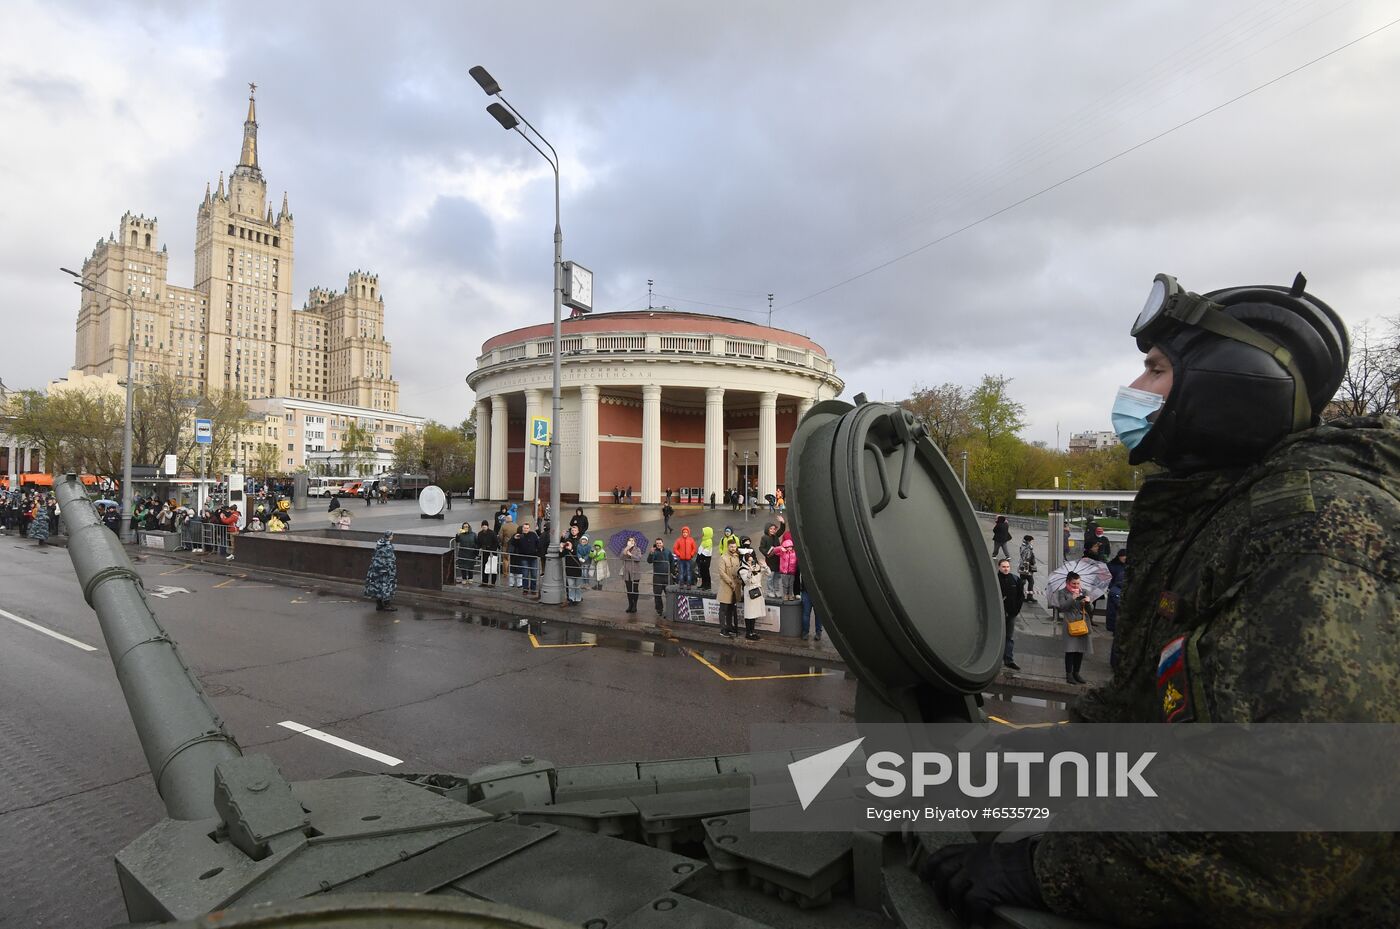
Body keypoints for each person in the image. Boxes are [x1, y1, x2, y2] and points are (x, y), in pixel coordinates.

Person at [925, 272, 1400, 926]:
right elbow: (1142, 721)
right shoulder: (1220, 518)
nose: (1133, 390)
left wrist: (1041, 870)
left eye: (1154, 369)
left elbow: (1287, 843)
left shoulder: (1313, 544)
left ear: (1232, 385)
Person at [1049, 570, 1093, 684]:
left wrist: (1087, 602)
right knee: (1070, 650)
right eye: (1074, 583)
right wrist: (1072, 598)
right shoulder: (1062, 592)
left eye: (1078, 583)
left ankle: (1076, 673)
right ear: (1068, 582)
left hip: (1083, 623)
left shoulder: (1084, 591)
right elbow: (1062, 608)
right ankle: (1069, 674)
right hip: (1070, 623)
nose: (1076, 586)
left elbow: (1091, 610)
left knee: (1080, 650)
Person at [996, 557, 1024, 671]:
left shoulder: (1015, 579)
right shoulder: (995, 579)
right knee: (997, 637)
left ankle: (1008, 660)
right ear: (999, 567)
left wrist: (1016, 610)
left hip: (1011, 614)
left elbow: (1020, 597)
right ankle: (995, 660)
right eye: (1003, 567)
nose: (1006, 569)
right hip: (998, 614)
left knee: (1009, 637)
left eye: (1007, 567)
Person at [737, 547, 770, 641]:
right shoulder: (742, 569)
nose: (751, 563)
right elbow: (747, 581)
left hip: (758, 591)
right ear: (745, 561)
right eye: (749, 561)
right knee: (749, 613)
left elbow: (768, 573)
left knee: (755, 613)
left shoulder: (757, 567)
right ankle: (748, 633)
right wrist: (750, 571)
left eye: (752, 561)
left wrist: (765, 566)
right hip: (749, 592)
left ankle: (753, 632)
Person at [363, 532, 398, 611]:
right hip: (385, 570)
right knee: (386, 586)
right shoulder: (388, 546)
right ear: (389, 536)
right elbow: (390, 560)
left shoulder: (379, 544)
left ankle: (379, 605)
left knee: (377, 586)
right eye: (392, 535)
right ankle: (387, 605)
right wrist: (392, 570)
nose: (392, 537)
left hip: (376, 569)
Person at [1106, 547, 1128, 668]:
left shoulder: (1119, 590)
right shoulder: (1116, 591)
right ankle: (1115, 664)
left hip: (1117, 621)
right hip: (1116, 621)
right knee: (1117, 643)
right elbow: (1121, 606)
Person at [715, 537, 742, 638]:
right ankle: (723, 629)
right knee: (724, 609)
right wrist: (731, 582)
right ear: (728, 547)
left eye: (734, 547)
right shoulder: (723, 558)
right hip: (726, 587)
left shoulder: (737, 557)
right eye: (731, 547)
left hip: (735, 587)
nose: (733, 548)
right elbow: (722, 573)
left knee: (731, 609)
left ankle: (729, 627)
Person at [795, 561, 822, 643]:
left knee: (807, 614)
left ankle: (806, 633)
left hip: (808, 591)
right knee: (817, 614)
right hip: (813, 591)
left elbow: (797, 575)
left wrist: (797, 591)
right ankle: (817, 633)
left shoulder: (803, 561)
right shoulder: (818, 561)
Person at [645, 537, 670, 617]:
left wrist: (672, 572)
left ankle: (669, 610)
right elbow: (649, 561)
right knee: (657, 594)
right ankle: (659, 610)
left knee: (669, 595)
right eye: (657, 543)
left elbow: (672, 561)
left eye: (660, 543)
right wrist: (651, 553)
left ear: (663, 543)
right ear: (655, 544)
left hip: (666, 576)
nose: (659, 544)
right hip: (657, 577)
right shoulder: (654, 552)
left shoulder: (667, 551)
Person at [517, 521, 541, 596]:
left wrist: (537, 553)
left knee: (534, 574)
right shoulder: (520, 536)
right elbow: (515, 544)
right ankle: (525, 589)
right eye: (524, 528)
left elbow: (538, 544)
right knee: (525, 574)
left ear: (529, 528)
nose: (526, 529)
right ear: (522, 528)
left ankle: (533, 589)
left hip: (533, 557)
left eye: (527, 528)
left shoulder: (533, 535)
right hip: (524, 557)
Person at [620, 536, 643, 612]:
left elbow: (639, 558)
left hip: (635, 572)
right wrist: (626, 549)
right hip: (627, 573)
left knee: (635, 589)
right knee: (629, 590)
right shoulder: (625, 549)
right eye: (630, 540)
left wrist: (630, 555)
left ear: (635, 542)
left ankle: (635, 605)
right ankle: (630, 604)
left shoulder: (638, 549)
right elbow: (621, 557)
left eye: (632, 540)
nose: (631, 541)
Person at [759, 524, 782, 596]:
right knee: (770, 576)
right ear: (767, 529)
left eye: (774, 529)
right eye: (771, 529)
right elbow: (761, 547)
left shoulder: (775, 536)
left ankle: (777, 590)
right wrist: (767, 553)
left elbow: (781, 530)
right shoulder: (764, 537)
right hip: (770, 560)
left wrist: (783, 523)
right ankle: (770, 591)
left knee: (777, 576)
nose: (773, 530)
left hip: (777, 559)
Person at [476, 520, 499, 587]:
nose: (484, 527)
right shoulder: (480, 533)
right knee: (484, 567)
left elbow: (496, 543)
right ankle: (484, 582)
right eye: (483, 526)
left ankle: (493, 583)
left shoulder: (492, 533)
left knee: (493, 568)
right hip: (484, 553)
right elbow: (478, 543)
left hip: (492, 553)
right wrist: (479, 548)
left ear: (487, 526)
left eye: (485, 526)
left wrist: (492, 550)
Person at [561, 537, 584, 604]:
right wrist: (561, 548)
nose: (568, 544)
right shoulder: (565, 551)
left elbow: (579, 556)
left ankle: (578, 599)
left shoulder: (577, 549)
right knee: (571, 586)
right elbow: (560, 555)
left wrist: (571, 550)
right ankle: (571, 599)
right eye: (567, 543)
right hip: (569, 571)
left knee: (577, 586)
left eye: (569, 543)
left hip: (577, 571)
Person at [1017, 534, 1037, 603]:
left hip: (1023, 567)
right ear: (1028, 541)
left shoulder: (1024, 546)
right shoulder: (1027, 549)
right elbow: (1027, 558)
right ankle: (1029, 597)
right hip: (1026, 568)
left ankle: (1021, 596)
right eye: (1031, 541)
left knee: (1022, 582)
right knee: (1031, 582)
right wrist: (1030, 565)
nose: (1032, 542)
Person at [777, 534, 798, 600]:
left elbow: (796, 560)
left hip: (792, 571)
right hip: (784, 572)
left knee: (791, 584)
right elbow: (775, 550)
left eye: (791, 547)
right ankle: (785, 595)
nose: (789, 548)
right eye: (788, 547)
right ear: (785, 547)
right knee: (785, 584)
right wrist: (781, 548)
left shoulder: (794, 553)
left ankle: (790, 595)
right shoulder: (782, 553)